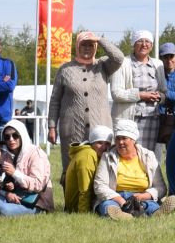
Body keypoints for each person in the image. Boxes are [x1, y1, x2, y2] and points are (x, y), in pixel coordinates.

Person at [49, 31, 126, 178]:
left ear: (96, 47)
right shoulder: (65, 69)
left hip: (100, 127)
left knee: (101, 167)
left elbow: (119, 57)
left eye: (91, 45)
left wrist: (99, 39)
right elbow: (55, 101)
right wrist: (52, 126)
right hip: (72, 129)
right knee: (72, 166)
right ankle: (71, 200)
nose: (87, 47)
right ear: (77, 46)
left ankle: (99, 200)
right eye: (83, 44)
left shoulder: (103, 65)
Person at [95, 118, 173, 219]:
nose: (120, 142)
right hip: (115, 197)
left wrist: (144, 196)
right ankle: (120, 214)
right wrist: (120, 200)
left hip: (141, 197)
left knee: (149, 205)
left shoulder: (148, 156)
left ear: (133, 139)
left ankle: (156, 212)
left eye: (124, 138)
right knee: (108, 205)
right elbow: (99, 185)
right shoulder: (107, 157)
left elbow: (161, 188)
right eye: (117, 138)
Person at [111, 31, 167, 136]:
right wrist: (141, 95)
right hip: (128, 119)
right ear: (133, 44)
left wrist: (159, 97)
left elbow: (164, 92)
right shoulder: (122, 63)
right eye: (140, 41)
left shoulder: (158, 64)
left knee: (148, 152)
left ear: (151, 45)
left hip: (152, 119)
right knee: (127, 151)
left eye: (148, 41)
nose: (144, 44)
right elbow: (116, 93)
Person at [0, 121, 53, 212]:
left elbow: (38, 184)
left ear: (22, 135)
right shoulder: (5, 155)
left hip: (35, 201)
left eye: (15, 136)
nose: (11, 140)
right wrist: (7, 191)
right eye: (7, 137)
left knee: (3, 210)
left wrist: (15, 173)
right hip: (14, 196)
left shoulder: (36, 154)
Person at [61, 124, 110, 214]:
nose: (104, 147)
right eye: (99, 143)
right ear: (92, 143)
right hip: (78, 207)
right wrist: (83, 213)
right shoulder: (87, 156)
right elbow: (84, 190)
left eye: (107, 143)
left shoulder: (95, 154)